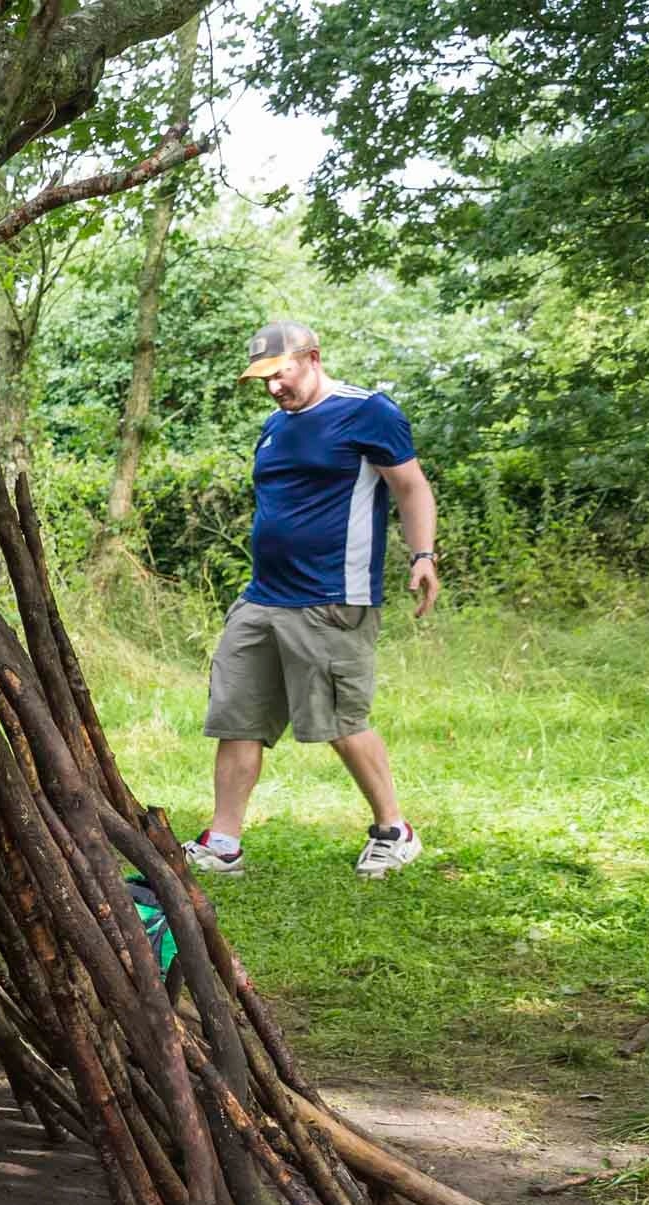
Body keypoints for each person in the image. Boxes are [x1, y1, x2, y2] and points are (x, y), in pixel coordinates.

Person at [183, 321, 439, 879]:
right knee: (238, 718)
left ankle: (394, 830)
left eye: (281, 373)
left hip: (331, 598)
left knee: (341, 721)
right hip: (262, 598)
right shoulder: (275, 427)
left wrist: (423, 555)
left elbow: (411, 486)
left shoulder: (366, 411)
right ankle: (223, 841)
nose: (273, 387)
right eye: (263, 379)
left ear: (313, 358)